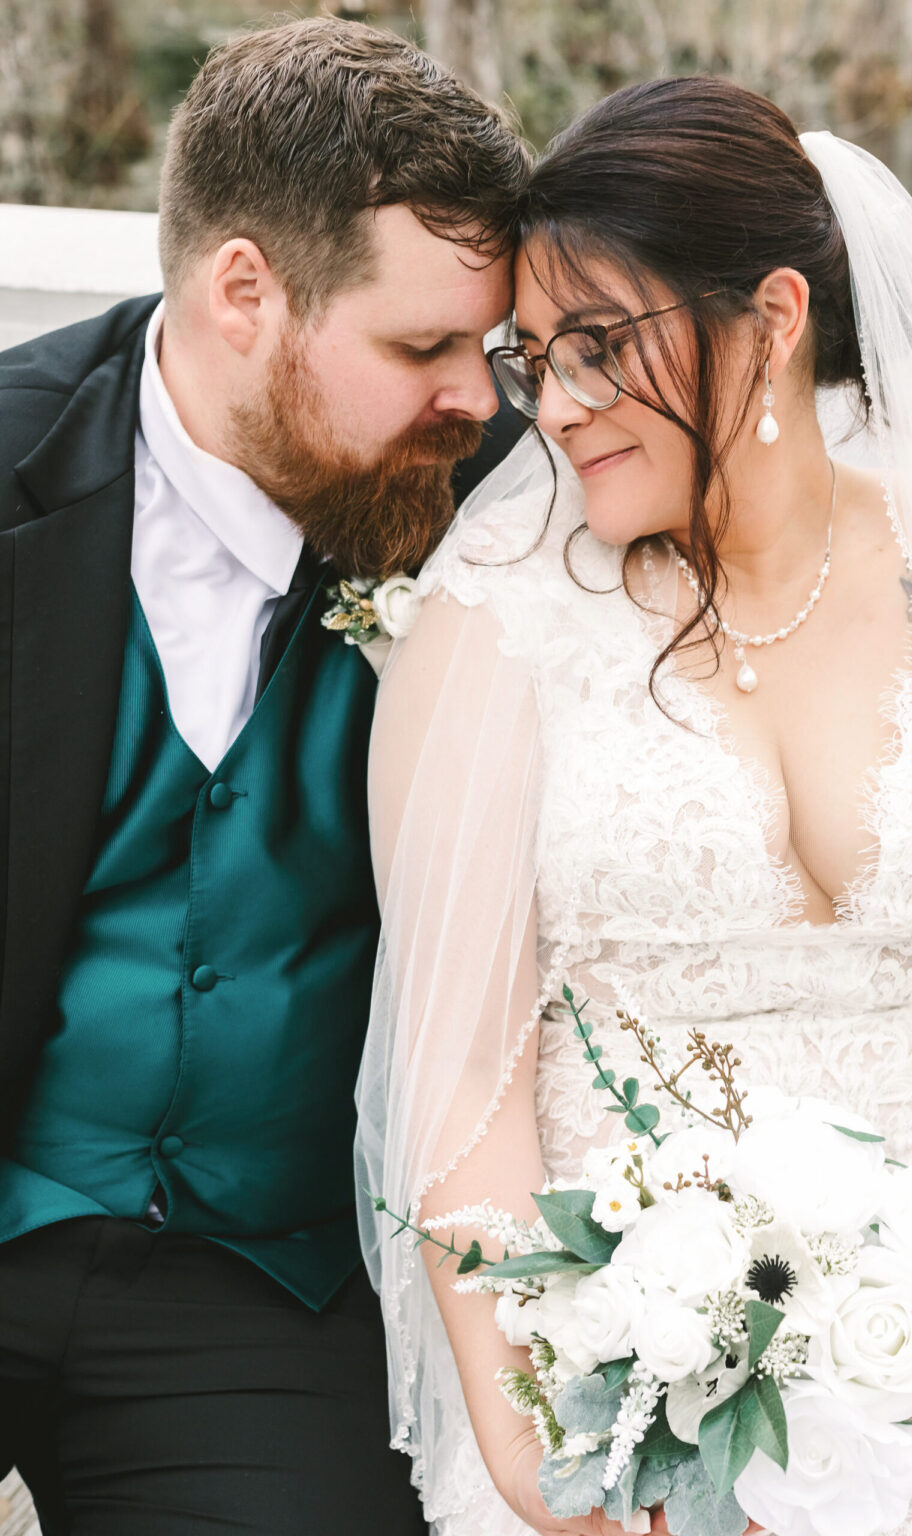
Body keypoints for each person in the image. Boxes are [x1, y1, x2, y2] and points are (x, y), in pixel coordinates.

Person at [357, 76, 912, 1536]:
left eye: (601, 348)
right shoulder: (499, 616)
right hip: (608, 1393)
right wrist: (542, 1445)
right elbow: (459, 1074)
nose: (561, 406)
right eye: (536, 359)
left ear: (775, 319)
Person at [0, 16, 527, 1534]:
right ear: (246, 292)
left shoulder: (493, 502)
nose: (477, 399)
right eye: (422, 347)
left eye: (484, 348)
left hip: (262, 1279)